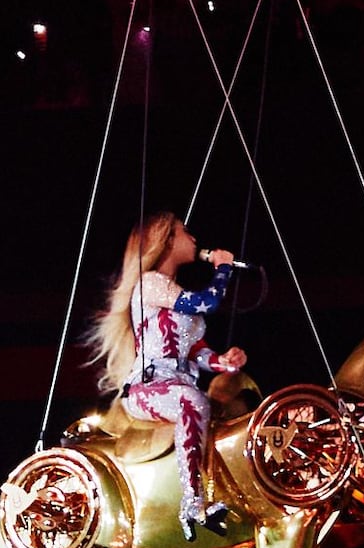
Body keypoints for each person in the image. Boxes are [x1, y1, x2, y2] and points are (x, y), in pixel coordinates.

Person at [92, 212, 250, 524]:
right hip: (149, 388)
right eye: (184, 232)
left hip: (180, 381)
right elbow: (207, 303)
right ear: (166, 242)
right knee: (193, 403)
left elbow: (194, 351)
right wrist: (223, 269)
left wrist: (221, 361)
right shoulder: (150, 284)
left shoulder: (173, 293)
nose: (193, 238)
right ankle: (192, 502)